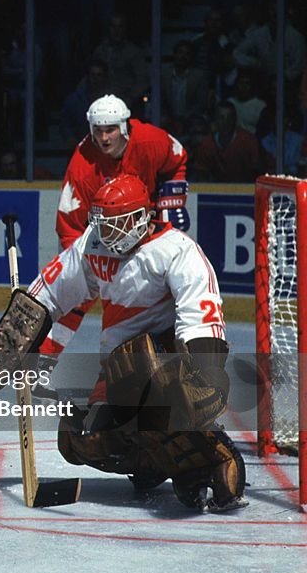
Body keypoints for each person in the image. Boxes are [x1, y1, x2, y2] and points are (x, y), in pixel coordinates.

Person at [23, 174, 246, 512]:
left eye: (113, 225)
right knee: (81, 441)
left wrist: (205, 371)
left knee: (146, 377)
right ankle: (164, 462)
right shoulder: (93, 244)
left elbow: (200, 309)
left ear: (140, 218)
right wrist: (20, 332)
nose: (104, 233)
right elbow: (55, 288)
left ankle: (211, 451)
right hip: (117, 365)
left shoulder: (177, 250)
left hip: (164, 362)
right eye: (101, 224)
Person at [42, 94, 188, 374]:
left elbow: (178, 160)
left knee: (168, 296)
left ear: (124, 127)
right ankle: (42, 363)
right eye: (98, 131)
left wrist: (173, 199)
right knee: (76, 299)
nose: (104, 138)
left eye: (110, 130)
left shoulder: (150, 140)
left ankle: (174, 365)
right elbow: (70, 223)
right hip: (102, 239)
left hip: (147, 232)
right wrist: (85, 270)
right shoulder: (82, 164)